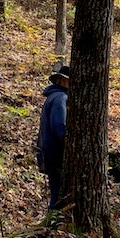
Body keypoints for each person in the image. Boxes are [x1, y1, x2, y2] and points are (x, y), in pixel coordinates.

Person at [36, 65, 69, 210]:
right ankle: (52, 227)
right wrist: (70, 146)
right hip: (55, 154)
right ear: (61, 80)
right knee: (58, 196)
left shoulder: (54, 97)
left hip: (50, 153)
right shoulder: (60, 98)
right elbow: (59, 126)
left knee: (58, 193)